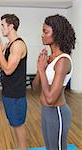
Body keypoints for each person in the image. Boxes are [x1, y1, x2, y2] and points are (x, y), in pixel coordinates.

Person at [32, 14, 76, 150]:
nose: (42, 35)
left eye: (46, 32)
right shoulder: (50, 58)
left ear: (56, 34)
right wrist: (40, 68)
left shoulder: (63, 61)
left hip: (57, 112)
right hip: (46, 110)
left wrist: (41, 69)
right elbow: (35, 87)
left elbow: (51, 98)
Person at [0, 14, 27, 150]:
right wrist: (2, 52)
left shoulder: (18, 45)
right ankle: (20, 147)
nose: (1, 28)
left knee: (18, 124)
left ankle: (22, 148)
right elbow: (5, 66)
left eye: (3, 25)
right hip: (9, 92)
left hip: (15, 94)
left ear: (11, 26)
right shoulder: (10, 45)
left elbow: (7, 70)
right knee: (14, 124)